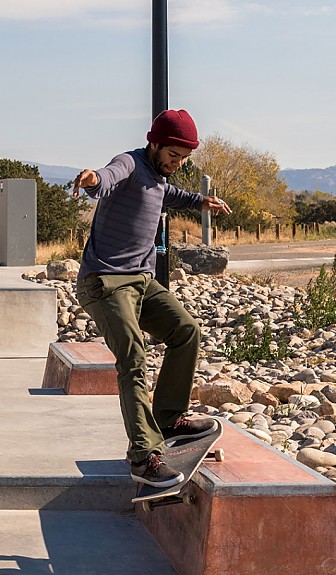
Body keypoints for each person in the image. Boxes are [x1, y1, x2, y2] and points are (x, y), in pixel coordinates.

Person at [71, 109, 232, 488]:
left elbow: (169, 194)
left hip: (141, 282)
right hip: (105, 281)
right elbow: (107, 179)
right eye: (173, 156)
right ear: (154, 143)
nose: (177, 164)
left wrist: (200, 202)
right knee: (133, 356)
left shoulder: (160, 178)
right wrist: (93, 179)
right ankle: (144, 455)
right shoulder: (129, 163)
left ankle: (168, 417)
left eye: (184, 159)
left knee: (185, 330)